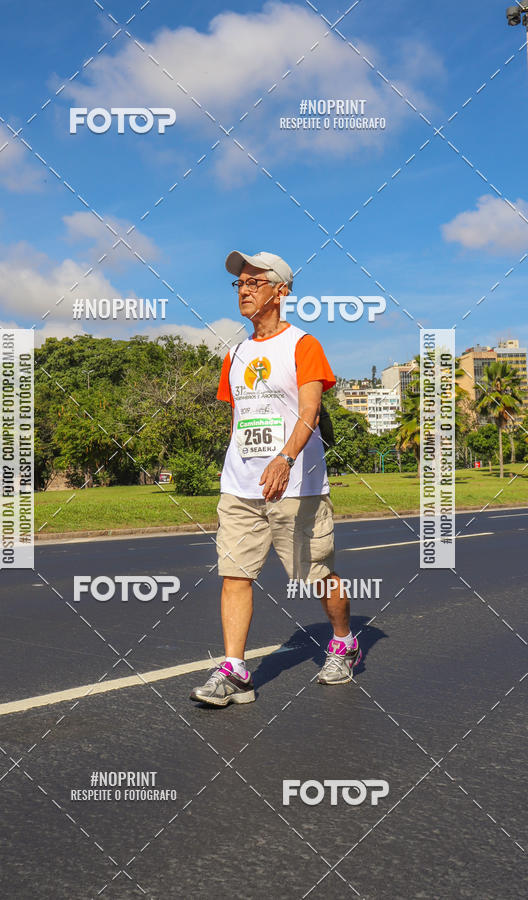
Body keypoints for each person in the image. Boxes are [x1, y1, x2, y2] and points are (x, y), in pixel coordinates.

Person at [190, 250, 362, 707]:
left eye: (254, 282)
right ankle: (235, 671)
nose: (244, 290)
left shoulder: (303, 345)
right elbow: (240, 418)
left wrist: (284, 459)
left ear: (281, 291)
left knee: (316, 574)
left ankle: (343, 641)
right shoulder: (236, 353)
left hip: (297, 485)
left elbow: (310, 411)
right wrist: (234, 466)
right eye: (240, 284)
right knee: (234, 574)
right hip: (241, 487)